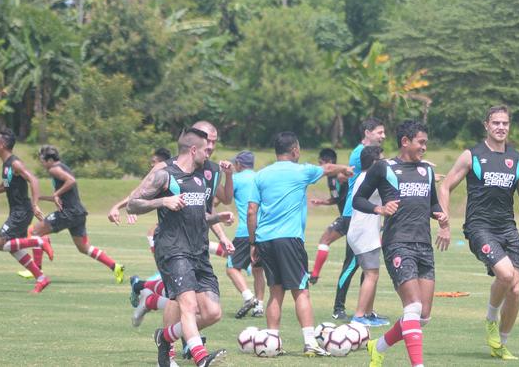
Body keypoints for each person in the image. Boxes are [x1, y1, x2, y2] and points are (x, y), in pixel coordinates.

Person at [438, 105, 519, 360]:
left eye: (505, 123)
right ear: (486, 125)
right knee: (505, 276)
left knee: (515, 290)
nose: (501, 127)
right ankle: (490, 318)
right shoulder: (471, 155)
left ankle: (500, 344)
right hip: (479, 228)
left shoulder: (518, 159)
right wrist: (444, 223)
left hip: (508, 228)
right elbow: (445, 186)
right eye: (496, 123)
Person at [127, 128, 231, 367]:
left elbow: (197, 216)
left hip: (199, 252)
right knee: (188, 305)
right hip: (173, 250)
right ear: (193, 149)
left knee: (212, 312)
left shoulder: (199, 178)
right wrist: (163, 200)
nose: (209, 153)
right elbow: (133, 204)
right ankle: (201, 358)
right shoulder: (165, 175)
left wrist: (218, 218)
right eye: (206, 149)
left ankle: (163, 338)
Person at [247, 131, 353, 357]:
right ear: (294, 150)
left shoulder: (261, 175)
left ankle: (271, 343)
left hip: (264, 239)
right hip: (289, 239)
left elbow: (251, 211)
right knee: (301, 291)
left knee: (275, 292)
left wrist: (253, 242)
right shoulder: (302, 171)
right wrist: (345, 168)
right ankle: (310, 342)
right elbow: (327, 169)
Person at [354, 120, 449, 367]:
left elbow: (433, 204)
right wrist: (379, 208)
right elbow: (358, 199)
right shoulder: (383, 168)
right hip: (397, 243)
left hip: (424, 245)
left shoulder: (426, 171)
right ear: (405, 141)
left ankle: (378, 346)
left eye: (426, 142)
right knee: (414, 306)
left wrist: (441, 217)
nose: (424, 147)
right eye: (421, 142)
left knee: (423, 316)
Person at [310, 118, 387, 322]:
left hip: (368, 214)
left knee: (368, 267)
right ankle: (338, 307)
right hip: (355, 215)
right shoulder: (358, 154)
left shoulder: (372, 155)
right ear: (367, 133)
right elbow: (347, 177)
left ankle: (367, 310)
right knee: (352, 264)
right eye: (379, 132)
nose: (383, 136)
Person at [34, 145, 125, 284]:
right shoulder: (61, 167)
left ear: (50, 160)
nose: (41, 163)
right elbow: (62, 194)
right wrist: (40, 198)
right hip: (78, 213)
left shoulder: (54, 169)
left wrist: (56, 194)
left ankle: (35, 271)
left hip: (68, 213)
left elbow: (71, 181)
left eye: (42, 160)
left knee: (35, 232)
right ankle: (115, 266)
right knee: (83, 248)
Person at [0, 129, 53, 293]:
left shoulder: (15, 163)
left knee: (0, 243)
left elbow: (33, 180)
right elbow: (6, 185)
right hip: (17, 211)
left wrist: (34, 205)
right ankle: (41, 278)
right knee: (13, 247)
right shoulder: (6, 165)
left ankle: (40, 242)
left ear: (3, 145)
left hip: (21, 211)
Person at [347, 145, 388, 327]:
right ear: (374, 163)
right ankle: (360, 315)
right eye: (382, 160)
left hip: (361, 232)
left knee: (372, 274)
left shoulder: (363, 177)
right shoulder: (371, 179)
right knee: (371, 274)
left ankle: (369, 314)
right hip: (364, 233)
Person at [226, 151, 266, 319]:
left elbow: (223, 198)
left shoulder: (236, 179)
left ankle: (249, 297)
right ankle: (259, 306)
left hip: (245, 230)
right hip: (264, 230)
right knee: (258, 269)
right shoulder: (260, 177)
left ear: (239, 164)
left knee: (231, 268)